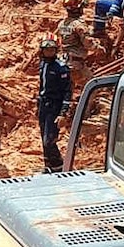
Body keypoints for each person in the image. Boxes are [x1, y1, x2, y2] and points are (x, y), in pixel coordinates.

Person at [38, 32, 72, 173]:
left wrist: (63, 112)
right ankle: (48, 166)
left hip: (54, 107)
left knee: (49, 139)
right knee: (43, 140)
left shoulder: (61, 68)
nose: (49, 52)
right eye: (46, 50)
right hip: (43, 106)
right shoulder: (43, 65)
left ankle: (59, 167)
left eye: (51, 49)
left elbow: (67, 91)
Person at [58, 0, 103, 97]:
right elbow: (87, 43)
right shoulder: (79, 25)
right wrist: (99, 48)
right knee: (92, 87)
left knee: (68, 90)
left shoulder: (62, 24)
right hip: (76, 64)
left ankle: (66, 110)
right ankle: (85, 112)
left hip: (64, 62)